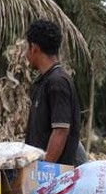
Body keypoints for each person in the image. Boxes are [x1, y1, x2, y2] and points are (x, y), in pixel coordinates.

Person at [23, 19, 80, 165]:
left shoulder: (57, 82)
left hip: (54, 179)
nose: (25, 54)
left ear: (34, 48)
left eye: (26, 48)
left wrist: (45, 170)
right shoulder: (45, 81)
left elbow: (61, 131)